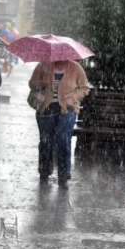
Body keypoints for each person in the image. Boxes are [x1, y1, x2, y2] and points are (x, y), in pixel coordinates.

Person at [29, 60, 89, 189]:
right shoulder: (43, 65)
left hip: (67, 109)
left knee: (63, 139)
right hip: (46, 107)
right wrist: (42, 83)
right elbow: (32, 83)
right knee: (46, 140)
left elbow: (84, 88)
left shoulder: (75, 68)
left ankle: (63, 176)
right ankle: (44, 171)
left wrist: (71, 98)